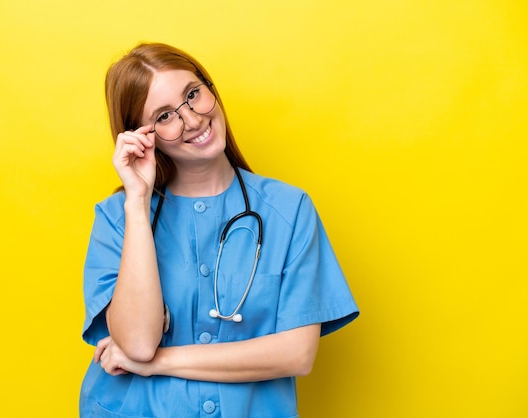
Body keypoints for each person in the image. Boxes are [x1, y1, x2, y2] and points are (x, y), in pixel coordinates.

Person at [80, 42, 359, 417]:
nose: (193, 120)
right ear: (142, 136)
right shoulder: (119, 218)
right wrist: (137, 201)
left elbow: (297, 354)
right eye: (164, 116)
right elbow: (138, 344)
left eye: (193, 94)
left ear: (210, 88)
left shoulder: (288, 211)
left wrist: (160, 363)